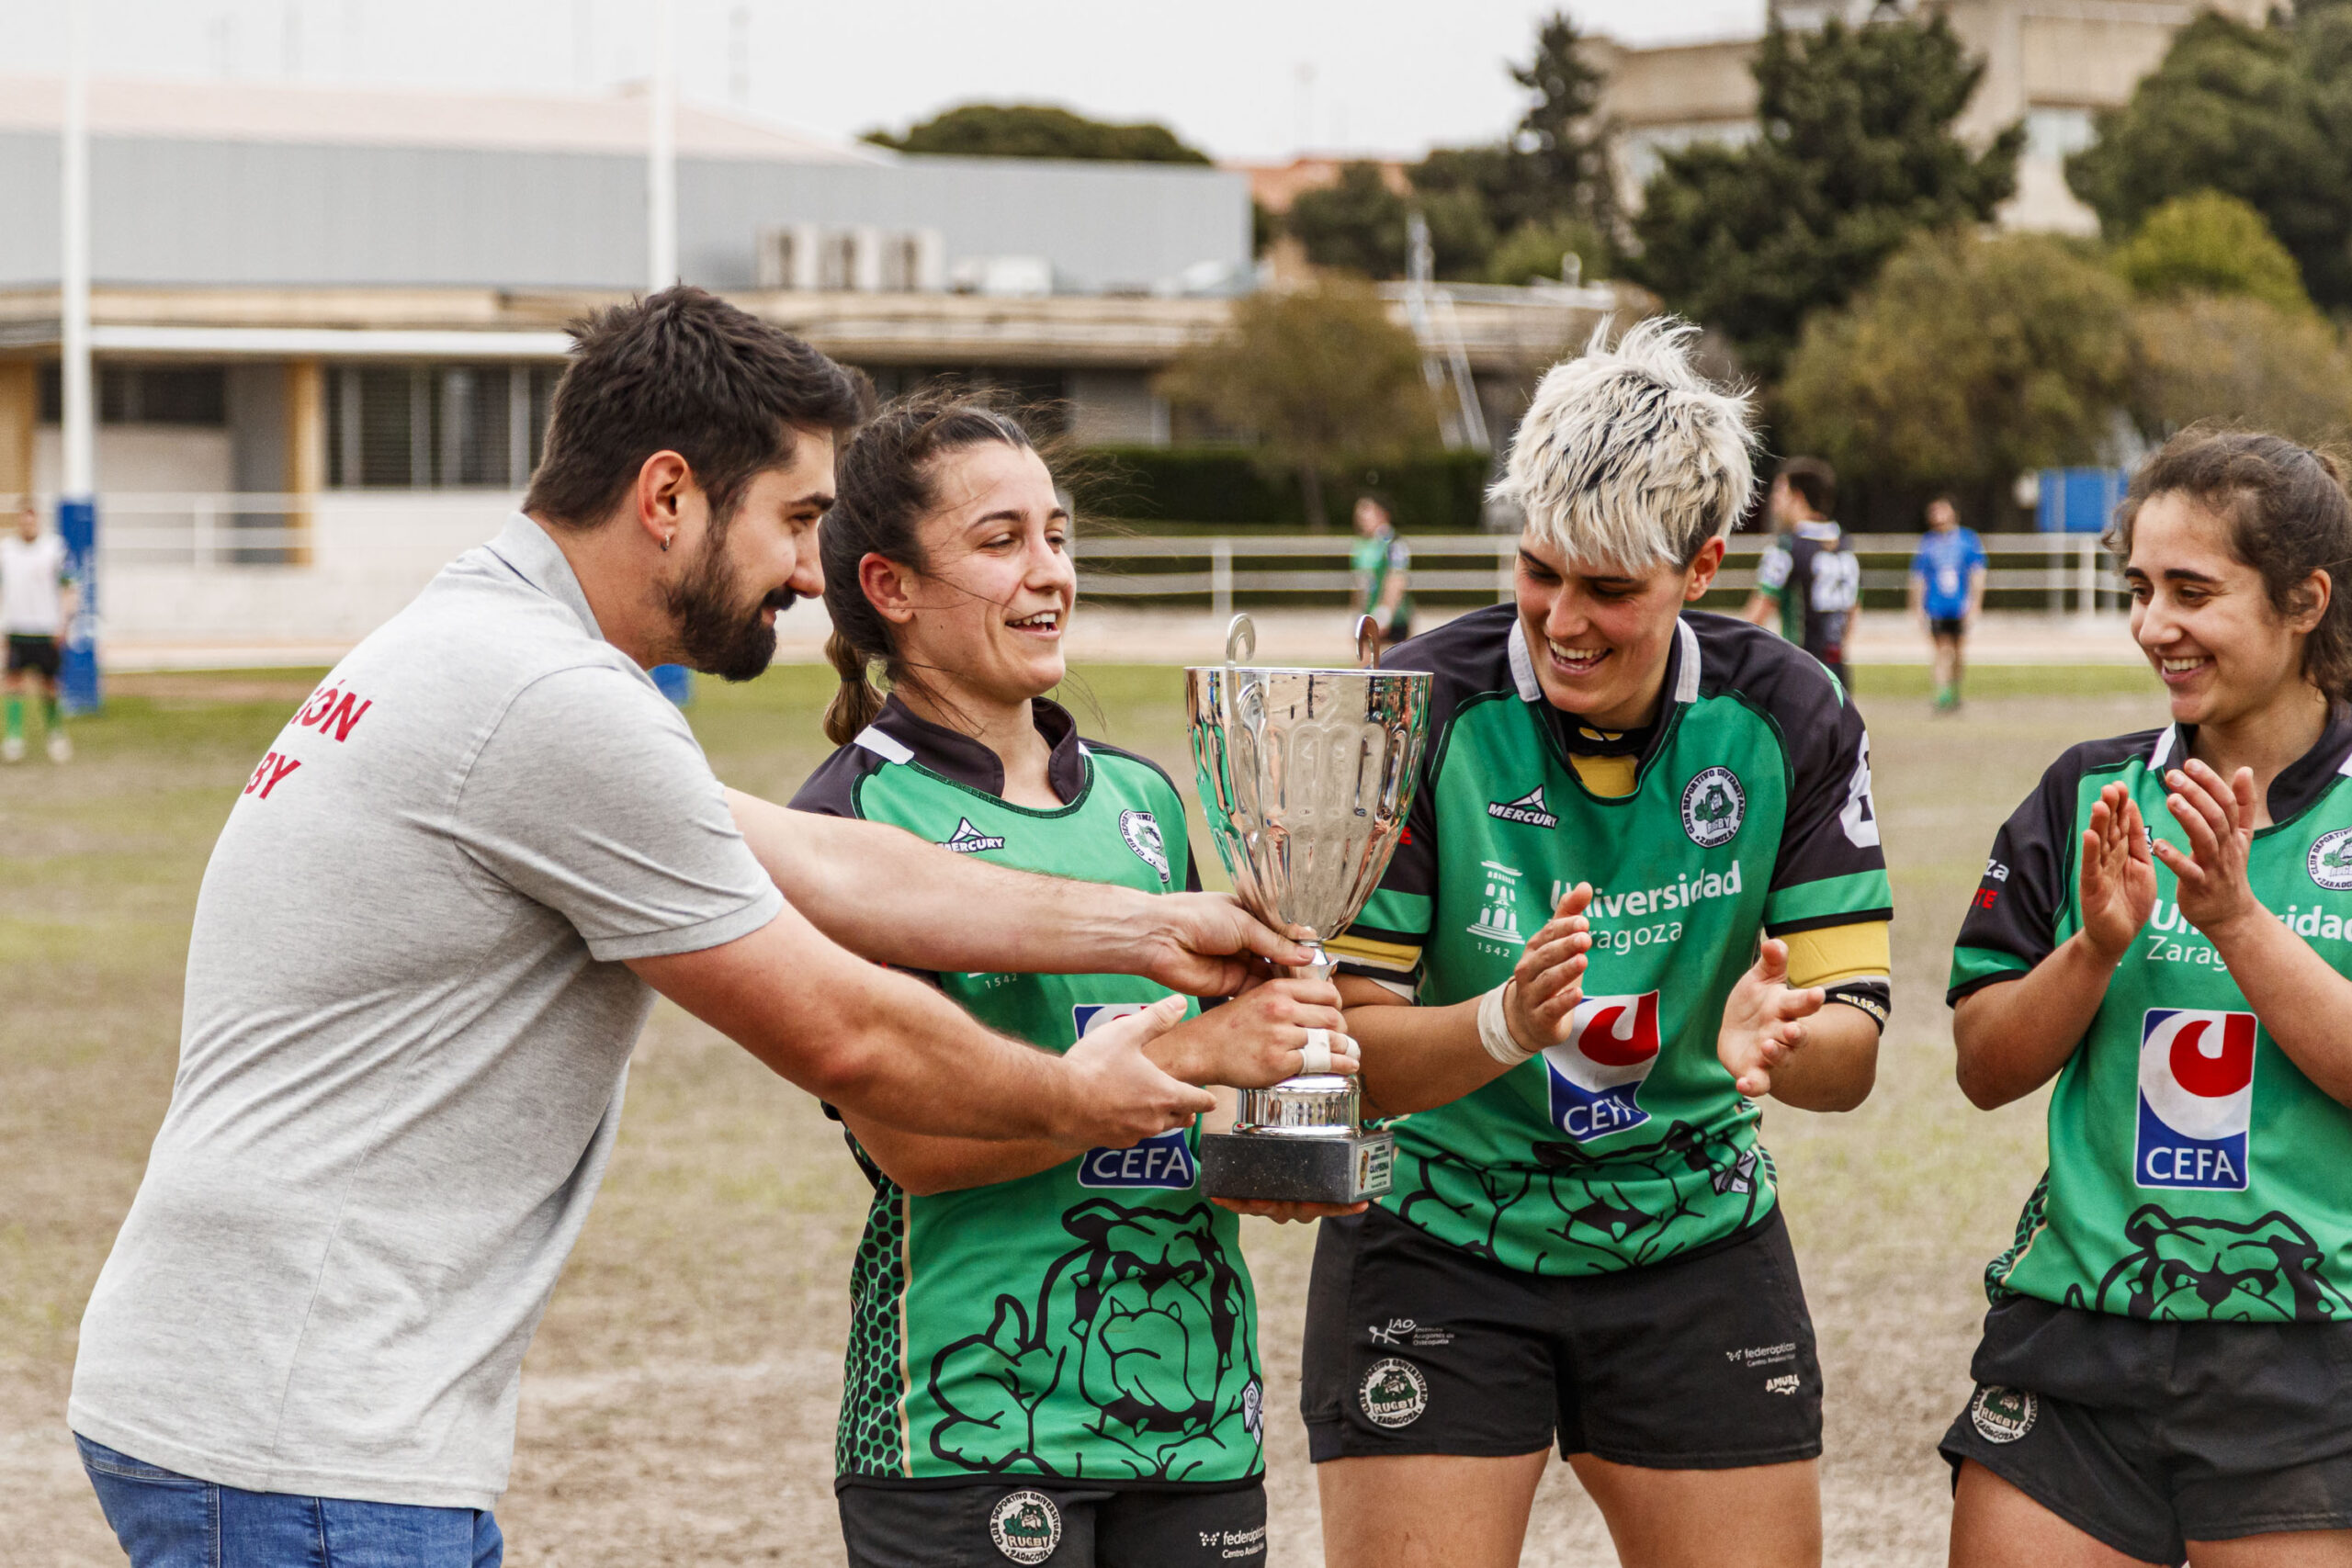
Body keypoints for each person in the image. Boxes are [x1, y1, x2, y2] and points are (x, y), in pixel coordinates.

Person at [67, 289, 1306, 1568]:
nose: (803, 572)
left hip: (274, 1399)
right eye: (794, 520)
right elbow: (848, 1032)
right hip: (304, 1430)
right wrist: (1081, 1093)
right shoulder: (549, 697)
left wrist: (1149, 923)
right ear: (669, 496)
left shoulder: (492, 643)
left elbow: (824, 859)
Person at [1308, 320, 1894, 1568]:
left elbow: (1852, 1053)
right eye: (1539, 571)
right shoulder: (1419, 705)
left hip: (1694, 1235)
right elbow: (1353, 1056)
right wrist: (1501, 1023)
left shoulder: (1788, 710)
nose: (1561, 621)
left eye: (1611, 590)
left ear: (1703, 565)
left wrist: (1782, 1038)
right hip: (1439, 1233)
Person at [795, 392, 1379, 1568]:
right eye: (1000, 542)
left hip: (1192, 1415)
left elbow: (1200, 1106)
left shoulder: (1145, 801)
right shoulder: (852, 816)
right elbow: (913, 1146)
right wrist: (1199, 1056)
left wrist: (1283, 1126)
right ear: (891, 586)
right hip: (968, 1415)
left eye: (1056, 535)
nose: (1048, 572)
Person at [1944, 430, 2352, 1566]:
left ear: (2302, 600)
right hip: (2080, 1333)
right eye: (2137, 589)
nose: (2151, 625)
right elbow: (1983, 1069)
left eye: (2191, 591)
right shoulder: (2085, 790)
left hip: (2309, 1351)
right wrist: (2092, 949)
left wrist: (2234, 921)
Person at [1742, 456, 1861, 694]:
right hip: (1838, 673)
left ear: (1797, 497)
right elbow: (1853, 612)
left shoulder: (1786, 548)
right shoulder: (1843, 544)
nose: (1773, 499)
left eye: (1779, 490)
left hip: (1800, 673)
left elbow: (1756, 615)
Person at [1, 498, 76, 763]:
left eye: (32, 519)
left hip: (46, 629)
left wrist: (64, 623)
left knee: (49, 685)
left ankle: (55, 735)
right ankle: (13, 737)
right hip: (17, 628)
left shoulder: (54, 549)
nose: (27, 524)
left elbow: (69, 587)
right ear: (18, 521)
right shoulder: (6, 551)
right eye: (23, 519)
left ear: (38, 521)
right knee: (12, 683)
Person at [1909, 494, 1987, 713]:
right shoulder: (1928, 543)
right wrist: (1916, 608)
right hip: (1936, 606)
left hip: (1959, 606)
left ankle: (1955, 693)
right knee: (1941, 651)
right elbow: (1919, 578)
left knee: (1959, 651)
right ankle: (1941, 696)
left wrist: (1975, 604)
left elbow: (1977, 574)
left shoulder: (1967, 540)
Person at [1351, 491, 1413, 651]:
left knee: (1391, 664)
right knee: (1363, 665)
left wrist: (1385, 613)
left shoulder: (1392, 542)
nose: (1362, 517)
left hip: (1392, 618)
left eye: (1367, 511)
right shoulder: (1362, 544)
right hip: (1368, 614)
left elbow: (1397, 578)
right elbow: (1360, 584)